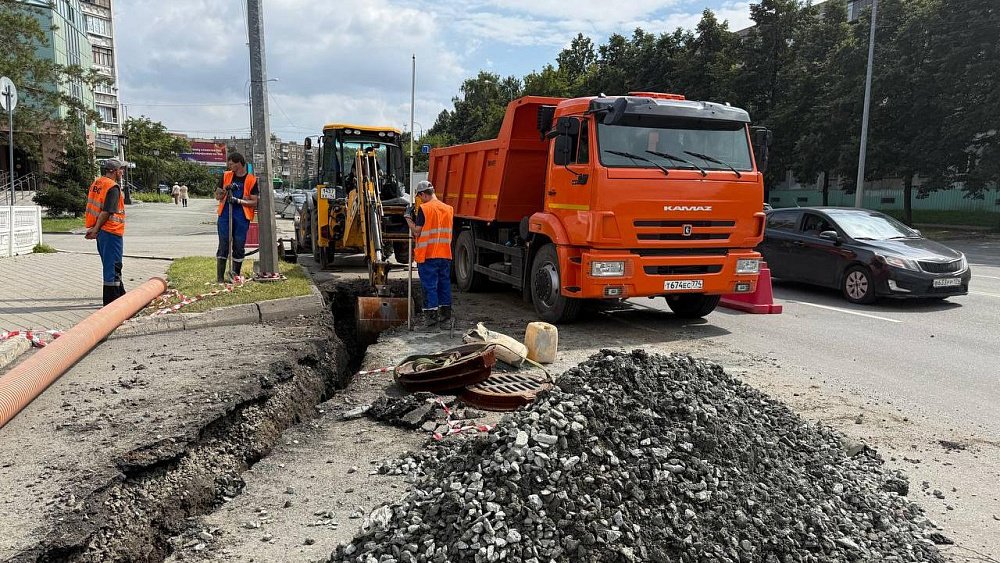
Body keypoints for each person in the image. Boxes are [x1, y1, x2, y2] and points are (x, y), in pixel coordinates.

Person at [404, 181, 454, 331]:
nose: (420, 200)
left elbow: (417, 231)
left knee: (429, 287)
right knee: (444, 285)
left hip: (428, 255)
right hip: (444, 254)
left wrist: (407, 218)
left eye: (420, 197)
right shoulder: (448, 209)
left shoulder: (424, 209)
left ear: (423, 194)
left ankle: (431, 323)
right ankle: (445, 320)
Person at [84, 158, 127, 306]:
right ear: (115, 171)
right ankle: (112, 303)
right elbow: (107, 211)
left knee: (111, 266)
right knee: (112, 267)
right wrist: (95, 229)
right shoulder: (112, 187)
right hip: (111, 231)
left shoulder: (97, 183)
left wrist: (95, 228)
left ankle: (121, 296)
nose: (122, 173)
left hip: (102, 232)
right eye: (121, 170)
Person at [214, 152, 258, 283]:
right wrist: (225, 191)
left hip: (241, 216)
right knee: (224, 244)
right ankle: (220, 278)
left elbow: (255, 202)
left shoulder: (251, 180)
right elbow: (217, 196)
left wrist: (239, 201)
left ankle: (235, 275)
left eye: (231, 163)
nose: (229, 165)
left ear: (239, 163)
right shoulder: (226, 176)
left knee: (239, 246)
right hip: (225, 215)